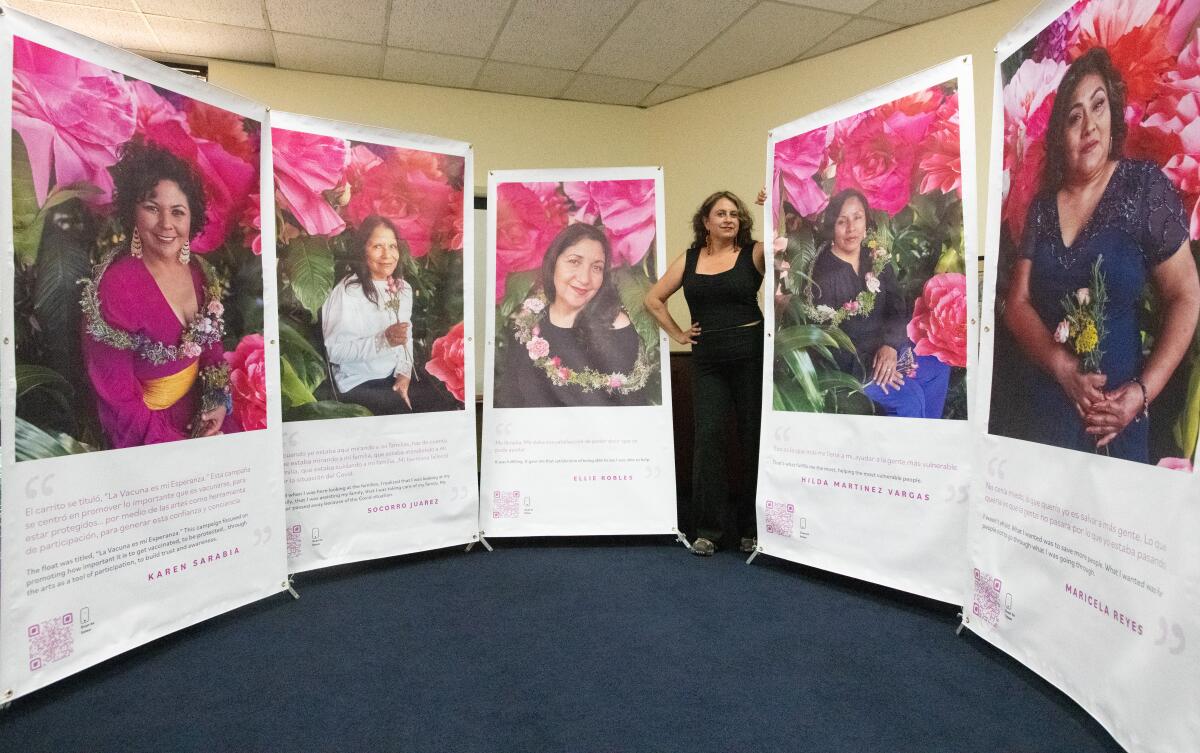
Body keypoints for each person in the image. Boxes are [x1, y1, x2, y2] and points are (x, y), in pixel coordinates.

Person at [1005, 48, 1200, 463]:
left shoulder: (1143, 187)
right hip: (1044, 417)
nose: (1089, 125)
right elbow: (1017, 304)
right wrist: (1061, 366)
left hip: (1117, 424)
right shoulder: (1042, 207)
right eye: (1074, 117)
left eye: (1098, 106)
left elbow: (1186, 294)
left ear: (1114, 114)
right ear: (1061, 135)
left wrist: (1143, 393)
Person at [81, 139, 238, 448]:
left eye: (178, 211)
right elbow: (119, 404)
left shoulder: (200, 272)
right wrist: (179, 448)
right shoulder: (115, 288)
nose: (166, 224)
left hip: (201, 416)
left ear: (191, 218)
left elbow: (211, 351)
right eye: (152, 208)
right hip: (149, 434)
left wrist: (216, 402)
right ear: (132, 213)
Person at [644, 191, 764, 556]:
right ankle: (708, 531)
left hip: (751, 357)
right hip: (707, 361)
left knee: (752, 439)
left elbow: (786, 242)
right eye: (721, 213)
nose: (729, 219)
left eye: (735, 214)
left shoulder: (755, 252)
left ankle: (751, 529)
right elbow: (652, 299)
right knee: (708, 440)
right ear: (706, 221)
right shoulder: (690, 258)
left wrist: (773, 199)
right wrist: (679, 333)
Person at [810, 188, 950, 418]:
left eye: (857, 217)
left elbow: (896, 306)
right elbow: (828, 343)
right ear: (832, 227)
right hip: (857, 366)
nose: (851, 228)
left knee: (938, 366)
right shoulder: (824, 276)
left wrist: (891, 347)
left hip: (889, 349)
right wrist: (875, 369)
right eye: (841, 221)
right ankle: (902, 453)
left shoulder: (875, 257)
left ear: (866, 221)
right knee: (910, 399)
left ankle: (927, 446)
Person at [495, 222, 650, 408]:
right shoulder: (528, 322)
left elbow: (631, 408)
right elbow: (510, 398)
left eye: (597, 267)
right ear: (553, 263)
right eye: (574, 261)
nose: (584, 279)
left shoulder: (616, 326)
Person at [321, 215, 417, 416]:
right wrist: (383, 340)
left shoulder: (403, 288)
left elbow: (406, 335)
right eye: (377, 247)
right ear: (362, 250)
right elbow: (335, 352)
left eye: (392, 246)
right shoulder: (347, 293)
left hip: (394, 375)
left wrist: (404, 374)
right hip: (359, 381)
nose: (387, 255)